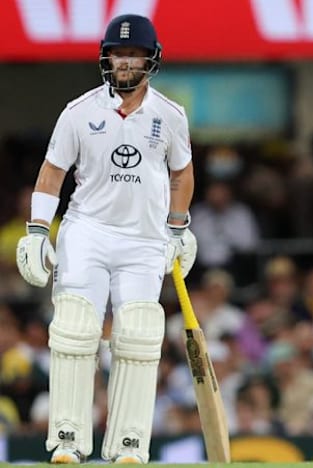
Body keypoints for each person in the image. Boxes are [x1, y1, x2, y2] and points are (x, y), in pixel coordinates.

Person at [15, 14, 196, 463]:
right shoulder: (78, 112)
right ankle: (67, 440)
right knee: (75, 328)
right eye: (119, 54)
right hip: (87, 231)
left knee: (138, 335)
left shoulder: (170, 116)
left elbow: (183, 173)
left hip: (143, 239)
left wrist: (178, 226)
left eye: (134, 55)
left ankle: (129, 445)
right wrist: (39, 230)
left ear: (150, 60)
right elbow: (52, 173)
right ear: (106, 57)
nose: (126, 63)